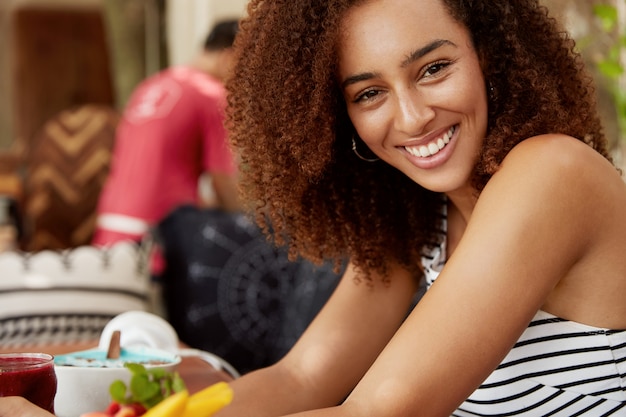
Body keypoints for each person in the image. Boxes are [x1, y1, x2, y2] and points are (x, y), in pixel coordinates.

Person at [2, 0, 626, 416]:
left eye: (433, 68)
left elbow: (380, 413)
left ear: (490, 55)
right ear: (337, 115)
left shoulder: (552, 172)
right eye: (370, 92)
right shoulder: (418, 223)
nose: (410, 118)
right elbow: (300, 379)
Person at [91, 19, 241, 247]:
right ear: (228, 58)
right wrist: (256, 226)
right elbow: (224, 184)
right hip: (159, 237)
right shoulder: (213, 95)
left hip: (110, 227)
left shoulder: (150, 86)